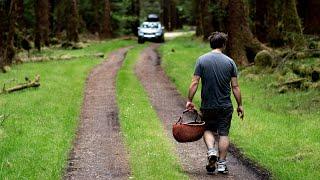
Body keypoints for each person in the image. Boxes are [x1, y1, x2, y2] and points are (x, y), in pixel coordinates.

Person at [186, 32, 244, 174]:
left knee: (207, 129)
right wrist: (240, 105)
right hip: (225, 106)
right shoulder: (230, 62)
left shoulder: (201, 60)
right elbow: (235, 87)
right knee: (223, 133)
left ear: (210, 44)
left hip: (208, 105)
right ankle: (222, 165)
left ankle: (212, 151)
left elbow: (195, 83)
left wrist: (189, 100)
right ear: (223, 45)